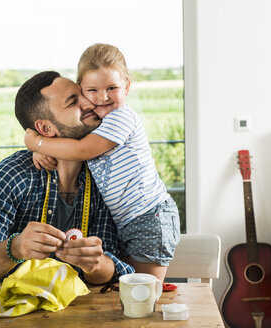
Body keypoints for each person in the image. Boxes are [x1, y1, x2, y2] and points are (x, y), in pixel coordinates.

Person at [0, 71, 134, 284]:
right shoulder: (10, 176)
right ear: (46, 128)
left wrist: (96, 263)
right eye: (73, 102)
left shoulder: (105, 175)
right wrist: (14, 248)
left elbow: (116, 271)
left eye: (83, 95)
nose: (90, 103)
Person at [24, 44, 180, 282]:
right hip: (128, 220)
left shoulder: (121, 117)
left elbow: (81, 150)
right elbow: (68, 142)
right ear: (81, 90)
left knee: (144, 292)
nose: (103, 97)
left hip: (149, 216)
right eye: (92, 90)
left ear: (127, 86)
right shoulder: (99, 122)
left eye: (112, 88)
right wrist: (42, 145)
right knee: (126, 289)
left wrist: (37, 143)